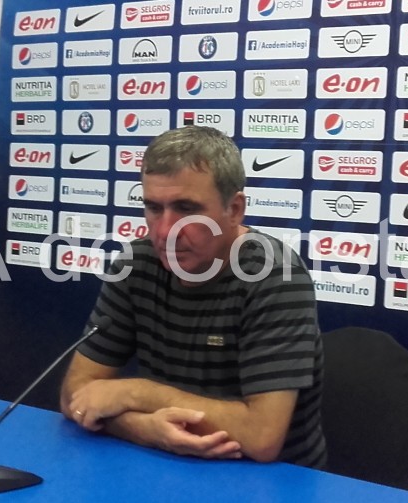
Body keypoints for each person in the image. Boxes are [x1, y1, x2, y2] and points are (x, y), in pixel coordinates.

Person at [60, 126, 326, 469]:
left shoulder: (275, 275)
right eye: (153, 208)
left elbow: (262, 437)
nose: (164, 231)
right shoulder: (136, 264)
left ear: (234, 209)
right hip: (164, 466)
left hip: (268, 481)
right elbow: (75, 394)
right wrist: (143, 429)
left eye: (186, 209)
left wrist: (137, 393)